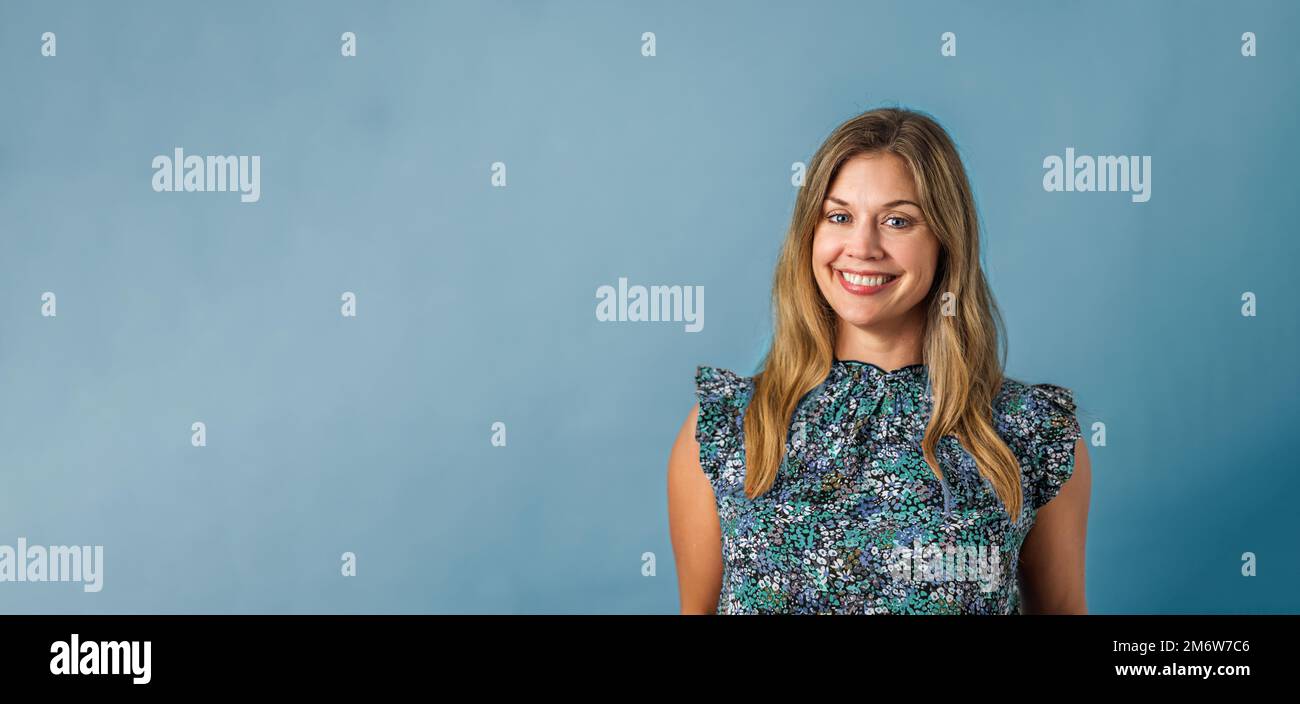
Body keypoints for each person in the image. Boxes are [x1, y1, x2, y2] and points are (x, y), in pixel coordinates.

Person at [667, 107, 1092, 614]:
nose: (862, 247)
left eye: (898, 221)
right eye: (839, 216)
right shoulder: (728, 426)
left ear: (945, 241)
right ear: (811, 234)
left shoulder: (1029, 430)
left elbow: (1064, 608)